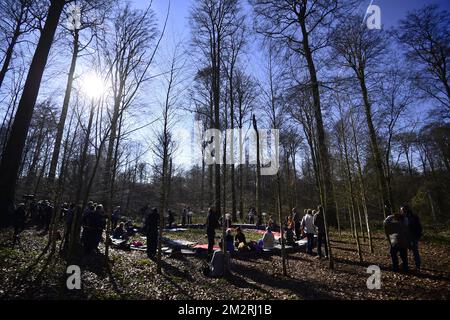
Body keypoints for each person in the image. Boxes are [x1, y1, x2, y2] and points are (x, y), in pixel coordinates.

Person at [402, 205, 422, 270]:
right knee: (404, 250)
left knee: (415, 250)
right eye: (401, 210)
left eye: (403, 210)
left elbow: (416, 227)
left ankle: (417, 265)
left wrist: (416, 236)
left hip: (413, 236)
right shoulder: (403, 217)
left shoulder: (412, 217)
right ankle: (405, 264)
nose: (402, 212)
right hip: (406, 236)